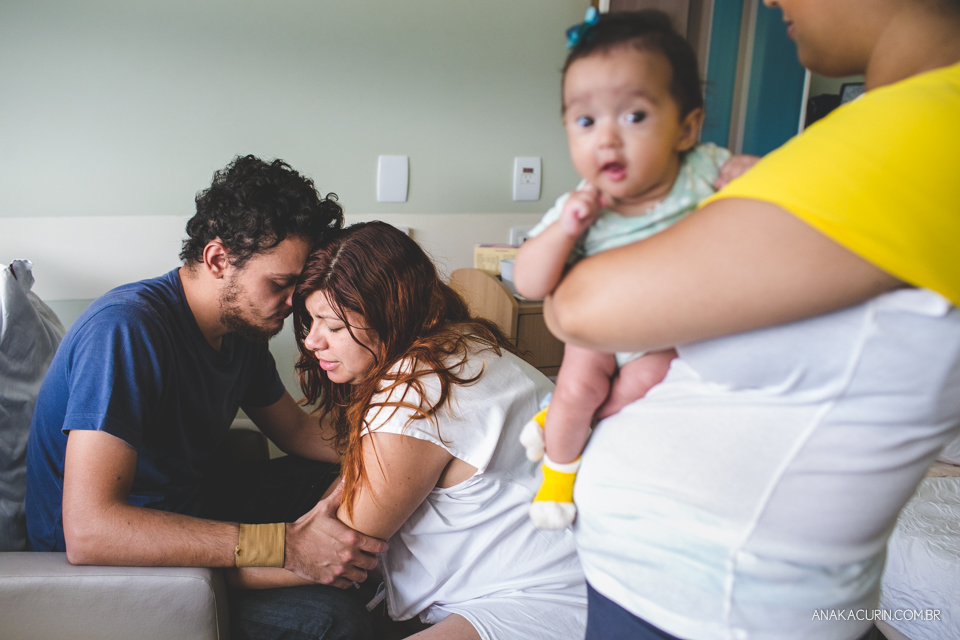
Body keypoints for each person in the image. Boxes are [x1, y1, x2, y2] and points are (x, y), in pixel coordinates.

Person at [540, 0, 960, 638]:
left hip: (716, 605)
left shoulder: (925, 127)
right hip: (677, 588)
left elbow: (580, 306)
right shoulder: (879, 128)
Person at [25, 155, 387, 640]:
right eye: (280, 285)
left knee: (348, 475)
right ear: (218, 259)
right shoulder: (125, 330)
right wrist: (285, 547)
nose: (294, 305)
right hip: (109, 556)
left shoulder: (242, 331)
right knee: (335, 620)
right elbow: (91, 530)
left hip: (188, 506)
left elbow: (299, 430)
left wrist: (398, 437)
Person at [513, 10, 756, 530]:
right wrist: (565, 231)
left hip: (667, 333)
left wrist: (750, 174)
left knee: (648, 378)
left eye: (634, 116)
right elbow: (529, 282)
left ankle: (559, 423)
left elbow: (774, 200)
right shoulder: (582, 205)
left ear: (686, 128)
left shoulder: (704, 170)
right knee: (577, 387)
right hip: (602, 329)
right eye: (586, 121)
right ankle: (557, 476)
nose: (607, 139)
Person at [290, 221, 587, 640]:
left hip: (546, 595)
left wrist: (222, 569)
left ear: (388, 316)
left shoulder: (414, 398)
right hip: (568, 562)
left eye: (333, 327)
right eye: (311, 321)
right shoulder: (460, 342)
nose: (312, 341)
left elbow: (335, 552)